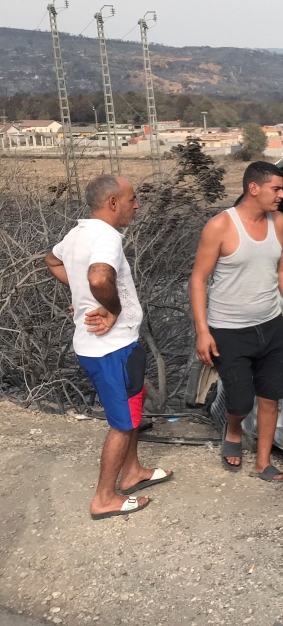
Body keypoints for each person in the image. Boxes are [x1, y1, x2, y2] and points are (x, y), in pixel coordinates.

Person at [44, 175, 172, 520]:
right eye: (132, 198)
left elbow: (52, 260)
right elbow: (100, 278)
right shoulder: (106, 237)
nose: (137, 205)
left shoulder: (78, 232)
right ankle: (104, 497)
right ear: (113, 202)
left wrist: (81, 297)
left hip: (114, 347)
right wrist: (111, 308)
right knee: (122, 423)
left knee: (131, 411)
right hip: (110, 350)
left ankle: (132, 473)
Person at [190, 161, 283, 481]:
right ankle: (233, 429)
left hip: (271, 325)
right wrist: (203, 332)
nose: (282, 195)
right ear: (253, 188)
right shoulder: (220, 227)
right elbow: (199, 280)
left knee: (271, 396)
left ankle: (262, 463)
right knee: (240, 401)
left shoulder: (280, 222)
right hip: (229, 329)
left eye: (282, 189)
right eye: (276, 189)